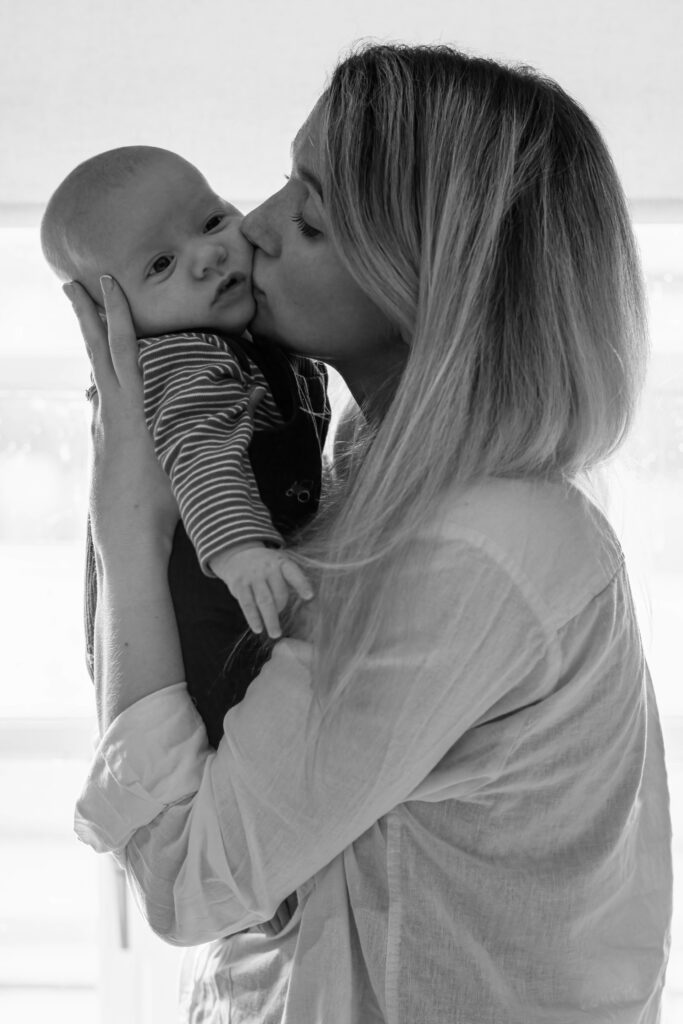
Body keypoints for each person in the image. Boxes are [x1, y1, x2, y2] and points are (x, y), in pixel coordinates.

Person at [67, 42, 672, 1024]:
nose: (251, 229)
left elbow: (190, 881)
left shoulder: (470, 546)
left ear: (432, 284)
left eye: (308, 215)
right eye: (283, 182)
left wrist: (125, 529)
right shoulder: (349, 480)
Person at [40, 148, 330, 744]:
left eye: (211, 222)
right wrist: (240, 550)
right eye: (162, 264)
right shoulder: (183, 356)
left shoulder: (236, 340)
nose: (207, 256)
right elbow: (203, 451)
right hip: (204, 633)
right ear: (110, 311)